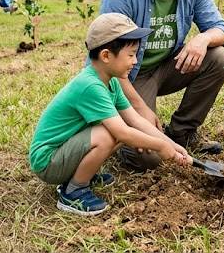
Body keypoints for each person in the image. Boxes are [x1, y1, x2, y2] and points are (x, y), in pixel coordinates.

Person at [100, 0, 224, 170]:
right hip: (128, 76)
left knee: (218, 58)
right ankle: (123, 137)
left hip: (167, 64)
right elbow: (107, 67)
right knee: (148, 158)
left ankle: (182, 132)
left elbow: (221, 29)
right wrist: (140, 109)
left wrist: (202, 38)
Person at [29, 13, 190, 216]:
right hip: (47, 162)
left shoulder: (111, 81)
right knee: (109, 134)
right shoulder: (90, 86)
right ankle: (73, 191)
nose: (135, 61)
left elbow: (135, 120)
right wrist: (160, 146)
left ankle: (81, 174)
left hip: (63, 151)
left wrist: (172, 145)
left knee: (119, 127)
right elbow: (123, 133)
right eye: (130, 55)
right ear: (106, 56)